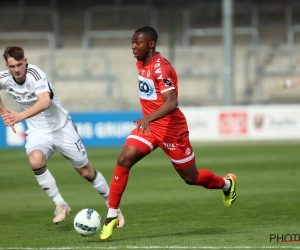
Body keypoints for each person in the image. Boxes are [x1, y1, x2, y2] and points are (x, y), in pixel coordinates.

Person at [99, 26, 236, 240]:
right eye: (132, 43)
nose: (133, 47)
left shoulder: (160, 68)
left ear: (151, 44)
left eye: (138, 43)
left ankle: (227, 184)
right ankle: (111, 215)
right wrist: (148, 121)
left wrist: (147, 118)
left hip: (172, 129)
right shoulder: (141, 62)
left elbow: (172, 102)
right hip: (150, 128)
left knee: (191, 177)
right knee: (124, 159)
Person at [0, 46, 125, 226]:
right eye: (12, 66)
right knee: (35, 161)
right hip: (38, 132)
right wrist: (4, 112)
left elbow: (44, 101)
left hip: (62, 128)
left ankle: (113, 207)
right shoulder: (4, 78)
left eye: (20, 64)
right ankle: (60, 204)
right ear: (7, 66)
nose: (17, 70)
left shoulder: (36, 75)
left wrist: (19, 116)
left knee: (86, 172)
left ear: (25, 61)